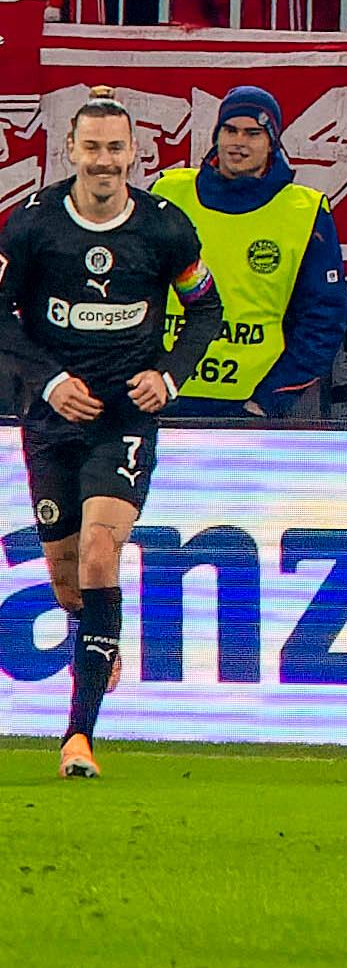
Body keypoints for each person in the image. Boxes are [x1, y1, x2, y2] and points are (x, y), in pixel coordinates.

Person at [8, 94, 206, 777]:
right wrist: (49, 379)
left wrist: (171, 375)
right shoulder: (32, 226)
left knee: (99, 554)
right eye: (92, 149)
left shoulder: (165, 229)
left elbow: (207, 311)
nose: (104, 162)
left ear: (134, 154)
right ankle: (98, 635)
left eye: (116, 149)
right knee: (68, 581)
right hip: (51, 418)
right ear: (71, 152)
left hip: (125, 416)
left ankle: (78, 738)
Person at [145, 84, 331, 425]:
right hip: (161, 396)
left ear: (271, 141)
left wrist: (269, 400)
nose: (238, 142)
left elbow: (323, 320)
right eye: (230, 130)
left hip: (251, 409)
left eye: (253, 133)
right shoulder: (166, 192)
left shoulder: (305, 211)